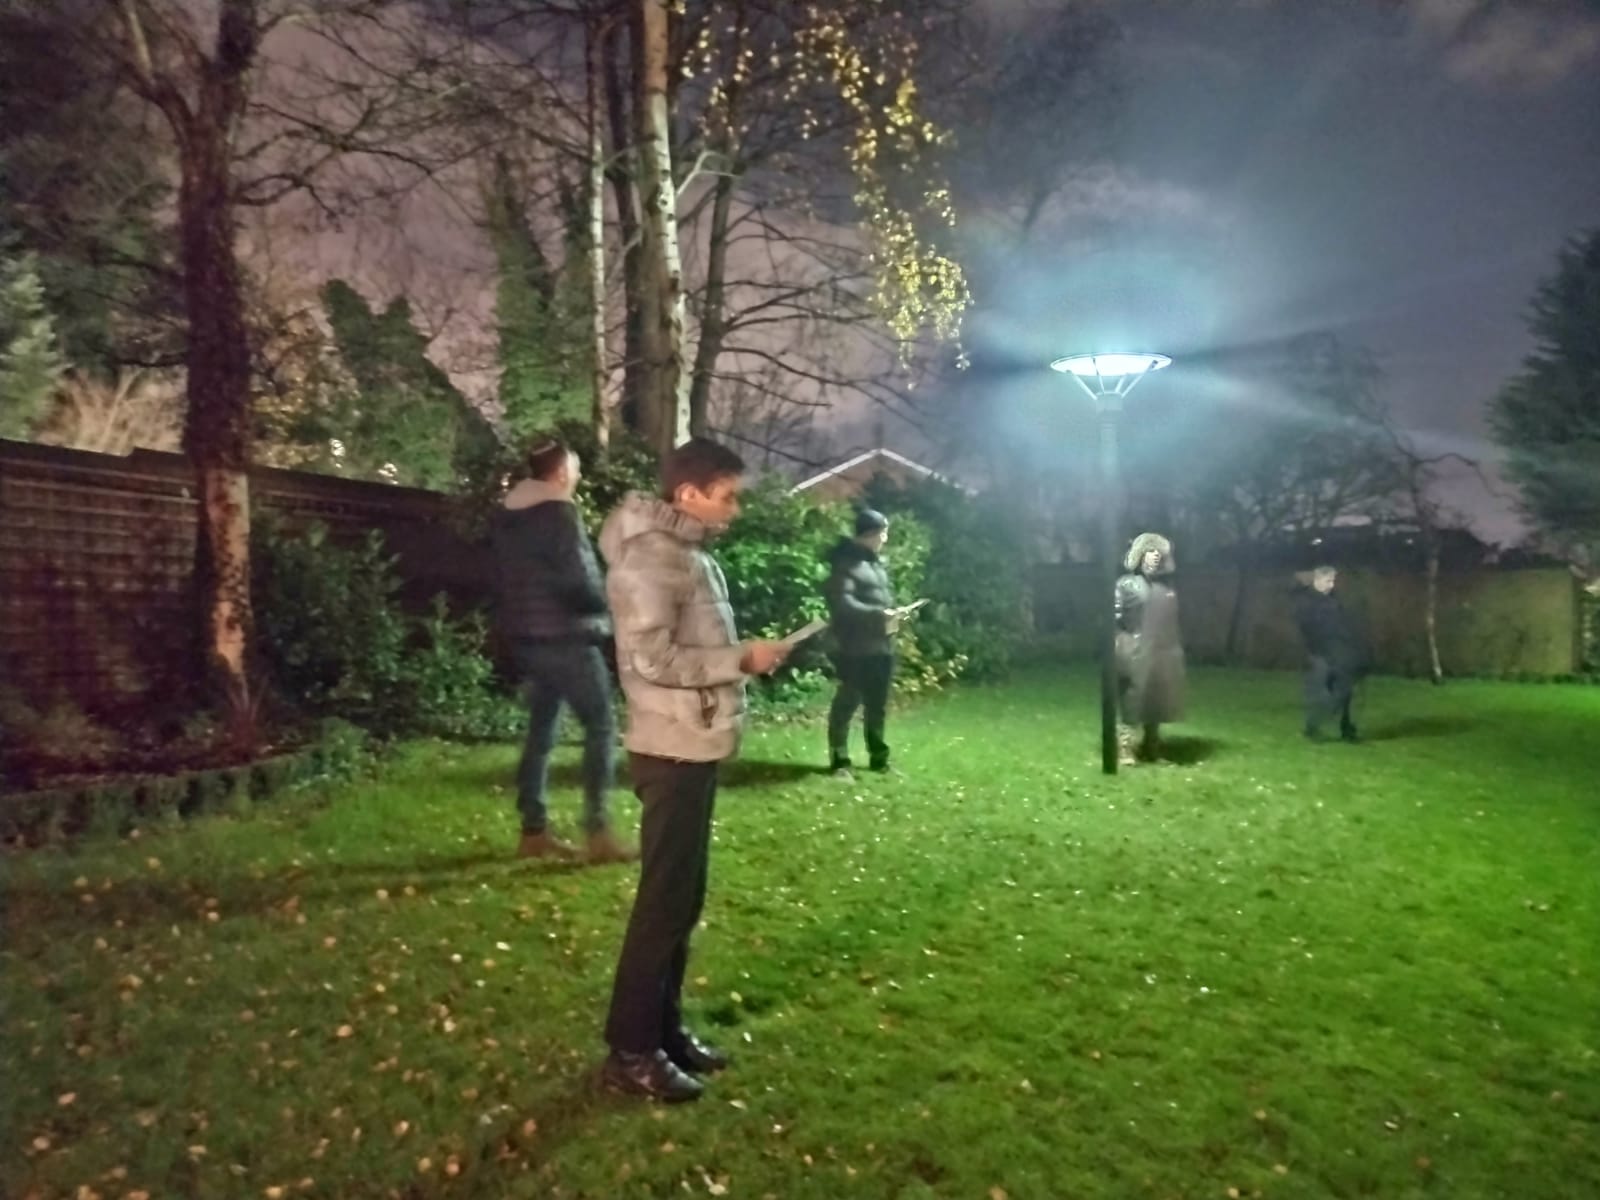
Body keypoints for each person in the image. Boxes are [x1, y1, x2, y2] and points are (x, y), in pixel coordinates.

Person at [596, 437, 790, 1103]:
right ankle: (629, 1051)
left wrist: (745, 657)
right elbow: (651, 660)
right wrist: (738, 660)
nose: (735, 508)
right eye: (727, 495)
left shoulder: (684, 554)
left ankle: (664, 1032)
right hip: (670, 749)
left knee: (681, 901)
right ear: (689, 495)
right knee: (662, 905)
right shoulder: (650, 558)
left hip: (692, 746)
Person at [490, 437, 635, 865]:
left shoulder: (506, 518)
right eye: (574, 469)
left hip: (526, 637)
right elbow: (578, 578)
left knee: (541, 732)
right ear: (559, 474)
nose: (577, 476)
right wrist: (607, 601)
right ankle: (597, 832)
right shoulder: (559, 513)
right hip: (566, 637)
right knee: (602, 727)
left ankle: (533, 831)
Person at [824, 508, 899, 777]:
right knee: (848, 701)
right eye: (882, 532)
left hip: (881, 646)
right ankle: (839, 759)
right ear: (868, 534)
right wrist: (877, 615)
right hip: (854, 648)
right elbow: (842, 604)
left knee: (877, 705)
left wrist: (893, 615)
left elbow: (879, 600)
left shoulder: (876, 564)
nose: (885, 538)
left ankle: (879, 758)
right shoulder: (845, 563)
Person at [1114, 532, 1186, 765]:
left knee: (1156, 700)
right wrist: (1122, 647)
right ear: (1140, 555)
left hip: (1161, 652)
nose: (1154, 559)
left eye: (1159, 555)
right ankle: (1125, 749)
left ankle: (1152, 747)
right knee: (1132, 701)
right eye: (1150, 553)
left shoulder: (1166, 588)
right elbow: (1113, 620)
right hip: (1134, 650)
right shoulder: (1126, 584)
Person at [1293, 564, 1366, 742]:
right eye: (1328, 581)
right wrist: (1322, 650)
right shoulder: (1307, 601)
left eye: (1333, 581)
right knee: (1322, 693)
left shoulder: (1333, 600)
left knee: (1345, 691)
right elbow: (1309, 630)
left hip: (1340, 652)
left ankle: (1346, 728)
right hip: (1320, 654)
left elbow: (1342, 626)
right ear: (1318, 580)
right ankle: (1312, 727)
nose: (1332, 585)